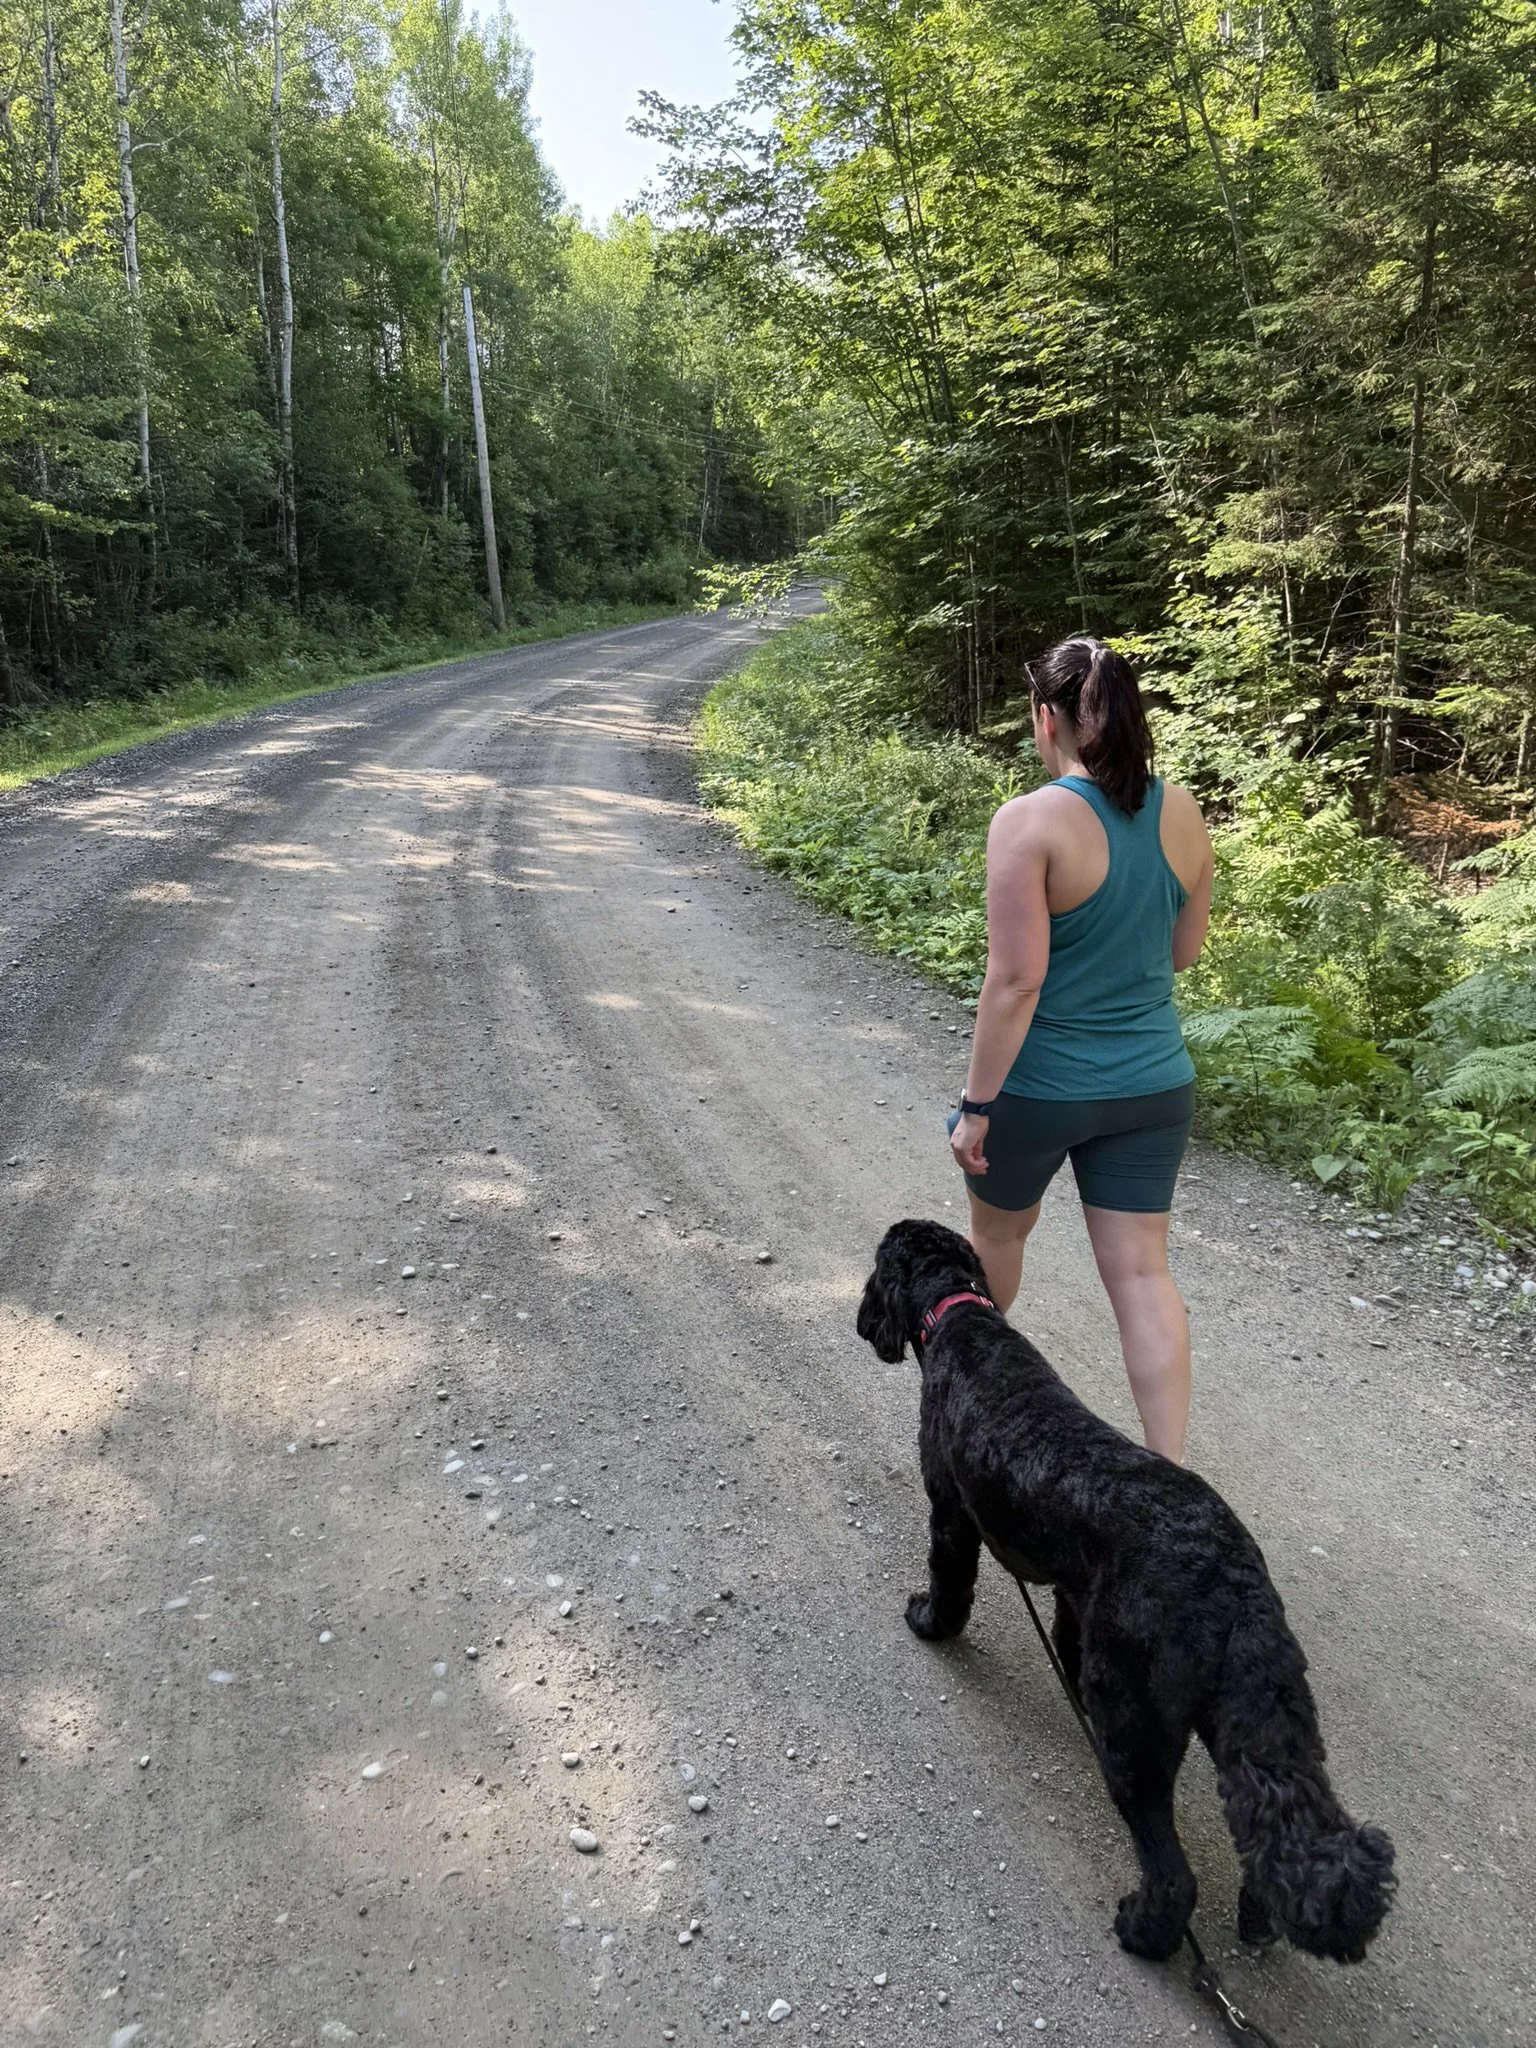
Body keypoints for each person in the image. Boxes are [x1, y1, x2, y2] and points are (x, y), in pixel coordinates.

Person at [948, 635, 1212, 1463]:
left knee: (996, 1243)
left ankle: (970, 1423)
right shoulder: (1183, 810)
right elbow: (1182, 954)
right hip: (1154, 1085)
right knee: (1141, 1276)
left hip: (1042, 1088)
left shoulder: (1028, 820)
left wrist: (976, 1107)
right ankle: (1167, 1473)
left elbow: (1015, 984)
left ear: (1047, 719)